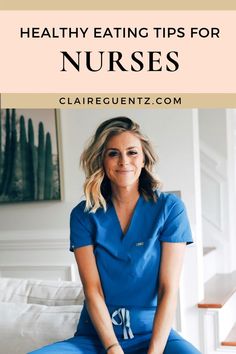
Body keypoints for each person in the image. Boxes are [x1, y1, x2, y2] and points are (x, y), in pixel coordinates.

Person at [28, 117, 201, 354]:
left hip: (153, 337)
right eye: (113, 153)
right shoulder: (83, 215)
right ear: (102, 159)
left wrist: (155, 351)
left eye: (132, 153)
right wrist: (112, 347)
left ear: (144, 159)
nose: (124, 162)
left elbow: (167, 288)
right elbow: (93, 290)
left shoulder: (170, 208)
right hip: (97, 337)